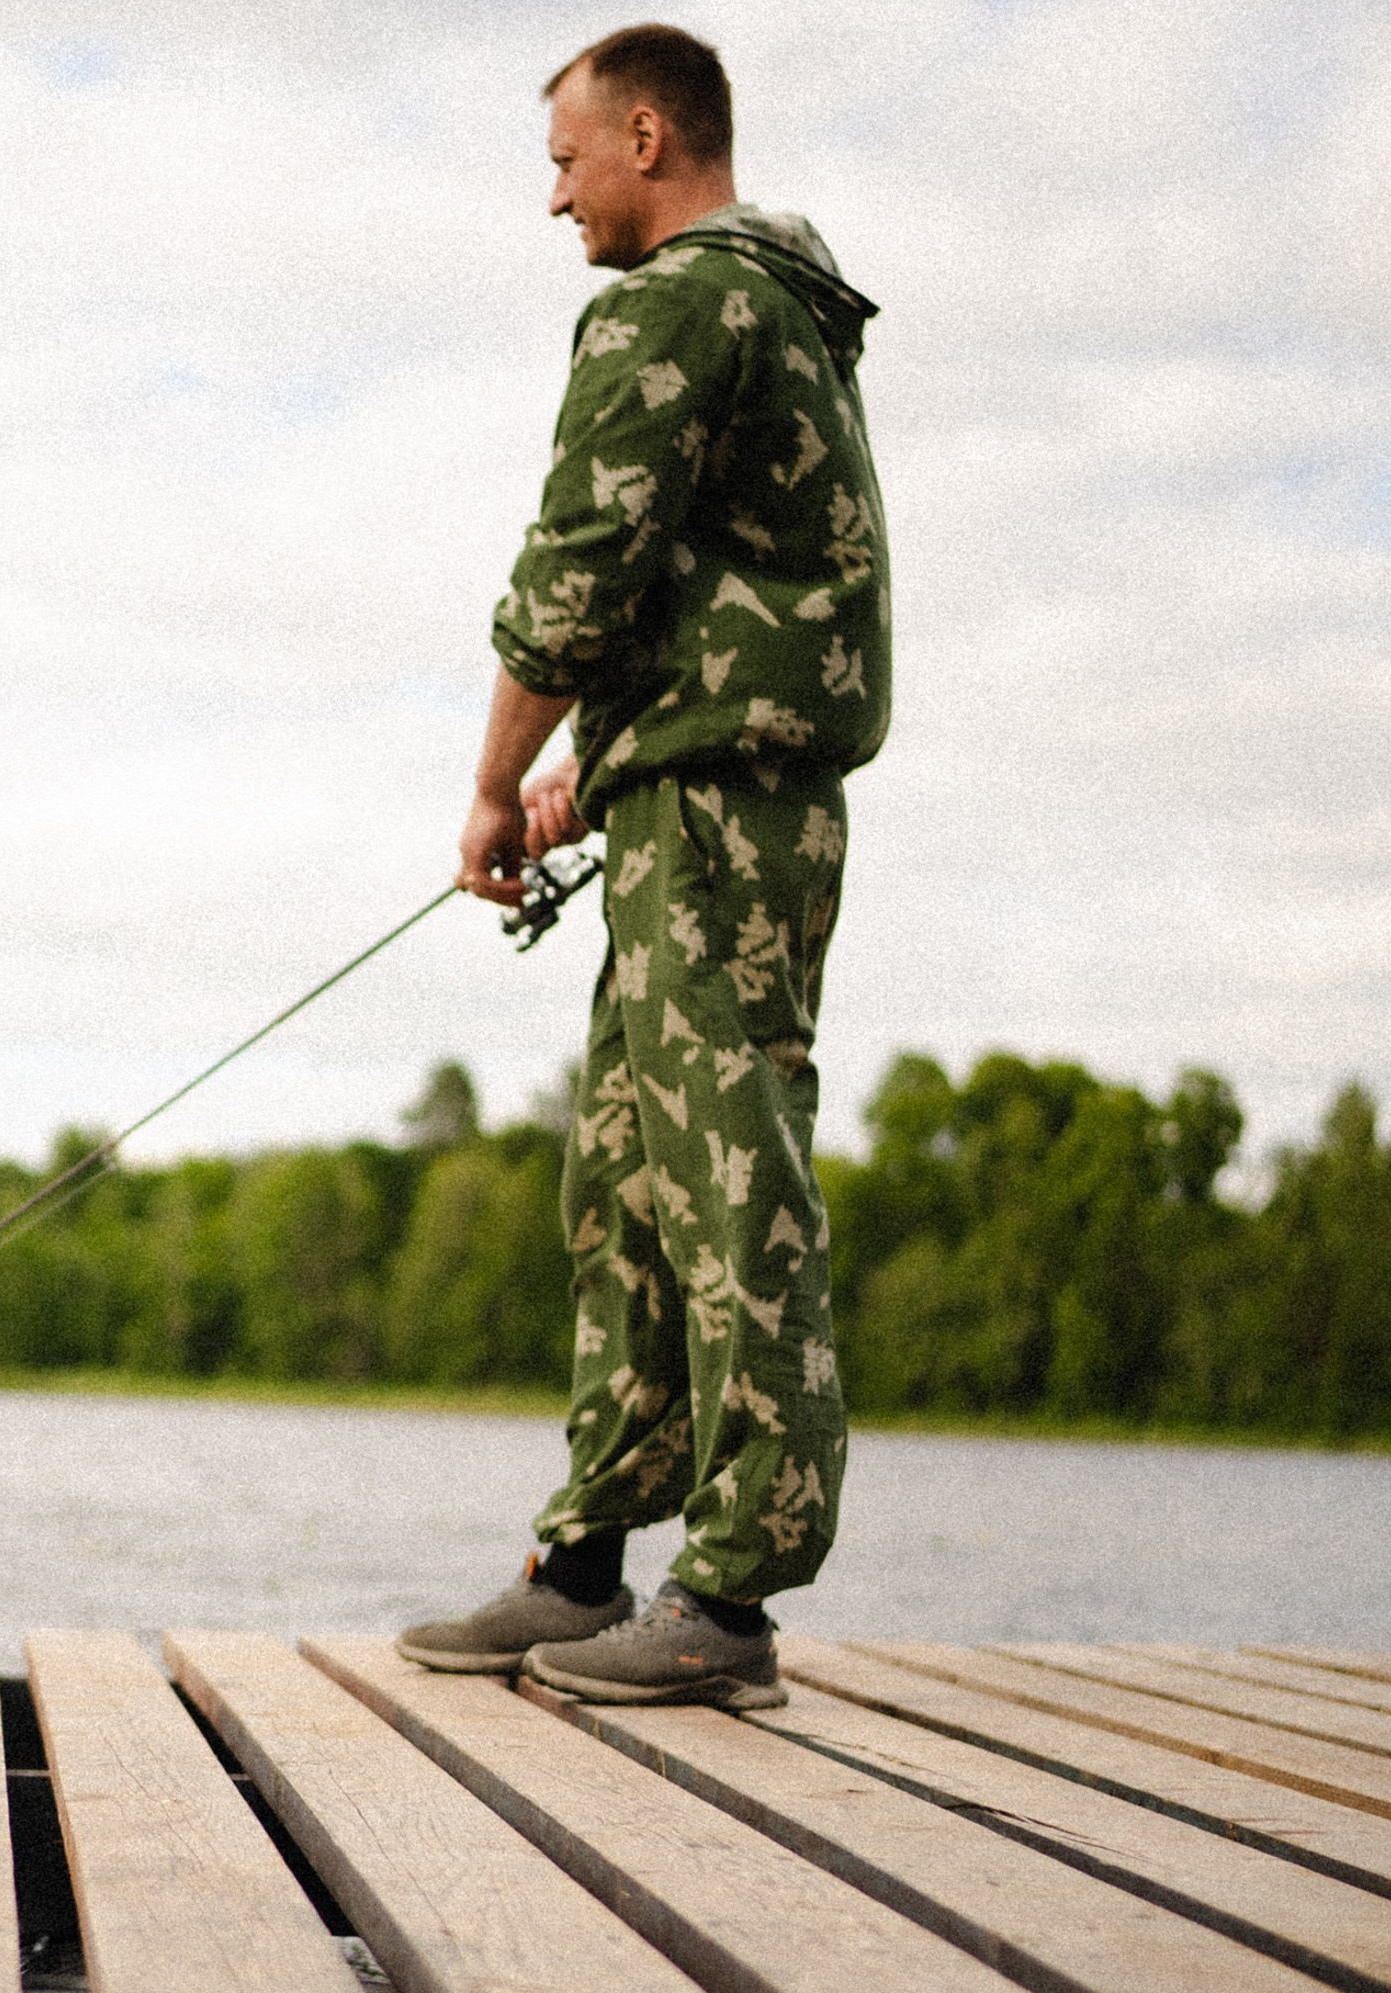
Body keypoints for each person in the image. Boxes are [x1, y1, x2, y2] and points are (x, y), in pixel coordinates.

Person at [398, 22, 890, 1709]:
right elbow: (708, 600)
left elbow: (580, 574)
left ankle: (734, 1597)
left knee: (728, 1165)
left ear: (651, 138)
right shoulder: (779, 307)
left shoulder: (677, 303)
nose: (555, 201)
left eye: (565, 161)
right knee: (621, 1171)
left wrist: (493, 784)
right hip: (692, 796)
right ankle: (592, 1558)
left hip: (728, 816)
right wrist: (596, 775)